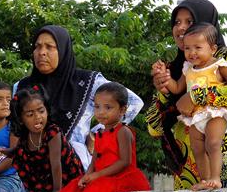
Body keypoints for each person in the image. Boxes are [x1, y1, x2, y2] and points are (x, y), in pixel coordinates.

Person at [148, 0, 227, 190]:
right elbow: (154, 128)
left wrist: (196, 97)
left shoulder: (226, 57)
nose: (181, 28)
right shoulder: (176, 69)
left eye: (189, 22)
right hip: (189, 167)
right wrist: (164, 92)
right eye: (176, 22)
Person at [15, 26, 143, 169]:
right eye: (37, 47)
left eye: (50, 47)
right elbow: (12, 128)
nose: (42, 53)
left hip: (74, 166)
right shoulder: (22, 87)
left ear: (63, 50)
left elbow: (133, 103)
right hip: (31, 168)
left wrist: (99, 133)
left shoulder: (87, 82)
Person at [0, 84, 84, 192]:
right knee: (20, 155)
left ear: (47, 110)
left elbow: (56, 164)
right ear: (21, 119)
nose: (38, 117)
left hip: (66, 177)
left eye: (41, 111)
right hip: (46, 177)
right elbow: (17, 151)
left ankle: (56, 191)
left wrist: (56, 191)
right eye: (30, 114)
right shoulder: (25, 135)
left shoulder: (52, 131)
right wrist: (4, 151)